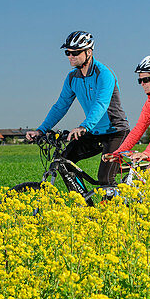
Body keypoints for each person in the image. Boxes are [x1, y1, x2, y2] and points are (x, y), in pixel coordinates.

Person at [26, 31, 129, 186]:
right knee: (65, 162)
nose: (70, 56)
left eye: (75, 52)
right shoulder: (72, 78)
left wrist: (84, 126)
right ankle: (82, 205)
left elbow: (101, 104)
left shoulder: (104, 74)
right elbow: (60, 106)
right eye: (67, 52)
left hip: (115, 132)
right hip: (93, 133)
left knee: (105, 179)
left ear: (89, 52)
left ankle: (113, 208)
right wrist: (41, 130)